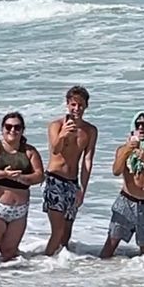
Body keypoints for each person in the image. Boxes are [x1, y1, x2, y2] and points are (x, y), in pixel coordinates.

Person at [0, 112, 44, 266]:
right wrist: (4, 174)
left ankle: (5, 281)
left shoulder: (29, 151)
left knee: (9, 251)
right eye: (8, 127)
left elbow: (39, 176)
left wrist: (20, 178)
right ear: (2, 129)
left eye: (17, 127)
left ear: (22, 130)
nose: (12, 130)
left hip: (19, 211)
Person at [100, 112, 144, 260]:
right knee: (110, 245)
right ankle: (101, 271)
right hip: (126, 202)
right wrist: (127, 150)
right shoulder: (123, 149)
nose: (141, 128)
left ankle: (142, 275)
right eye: (138, 125)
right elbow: (116, 171)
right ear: (133, 128)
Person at [44, 86, 98, 255]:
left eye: (80, 105)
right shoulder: (56, 125)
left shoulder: (90, 131)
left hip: (73, 184)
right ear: (67, 104)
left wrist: (82, 189)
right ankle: (44, 263)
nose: (77, 109)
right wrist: (63, 135)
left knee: (66, 234)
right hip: (55, 180)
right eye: (73, 104)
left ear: (86, 106)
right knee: (58, 231)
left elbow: (87, 161)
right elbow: (55, 150)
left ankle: (61, 266)